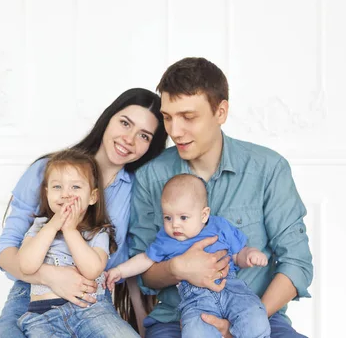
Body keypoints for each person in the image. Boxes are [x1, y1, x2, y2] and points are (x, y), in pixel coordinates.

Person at [128, 57, 313, 338]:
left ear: (221, 112)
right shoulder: (151, 176)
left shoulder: (268, 169)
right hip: (177, 322)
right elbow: (144, 275)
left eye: (188, 117)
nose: (174, 131)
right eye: (167, 117)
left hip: (262, 315)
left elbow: (296, 263)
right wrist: (177, 267)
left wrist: (247, 323)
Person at [0, 88, 169, 337]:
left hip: (91, 299)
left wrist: (143, 327)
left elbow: (134, 262)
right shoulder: (48, 171)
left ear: (151, 147)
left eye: (144, 136)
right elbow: (6, 250)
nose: (129, 139)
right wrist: (50, 276)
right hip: (33, 293)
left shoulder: (137, 191)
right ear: (108, 118)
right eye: (125, 123)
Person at [106, 174, 270, 337]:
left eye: (183, 217)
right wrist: (119, 271)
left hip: (233, 290)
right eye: (168, 217)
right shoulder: (166, 240)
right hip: (196, 302)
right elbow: (145, 259)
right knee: (195, 331)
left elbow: (237, 255)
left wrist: (250, 255)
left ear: (204, 215)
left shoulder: (220, 227)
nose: (175, 224)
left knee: (255, 317)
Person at [16, 149, 138, 337]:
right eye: (57, 187)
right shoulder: (40, 227)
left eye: (75, 187)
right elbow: (26, 265)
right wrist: (52, 226)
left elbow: (92, 270)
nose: (66, 194)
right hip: (43, 317)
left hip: (92, 312)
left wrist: (70, 230)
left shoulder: (98, 231)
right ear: (47, 193)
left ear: (92, 197)